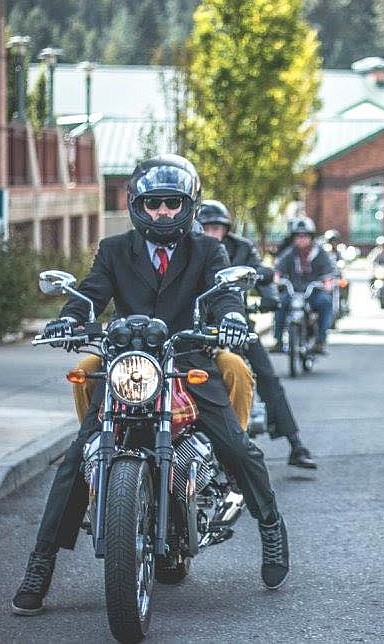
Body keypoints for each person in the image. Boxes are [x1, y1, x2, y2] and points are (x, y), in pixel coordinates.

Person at [12, 155, 290, 616]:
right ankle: (40, 567)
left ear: (188, 206)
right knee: (80, 455)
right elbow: (91, 294)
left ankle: (272, 528)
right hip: (130, 363)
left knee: (236, 445)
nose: (162, 212)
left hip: (186, 358)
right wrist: (69, 320)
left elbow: (223, 296)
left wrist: (234, 321)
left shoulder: (207, 251)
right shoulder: (114, 248)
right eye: (153, 203)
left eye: (171, 203)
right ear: (137, 205)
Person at [196, 199, 317, 469]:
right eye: (207, 227)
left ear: (226, 229)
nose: (212, 233)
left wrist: (270, 296)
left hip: (237, 324)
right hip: (199, 326)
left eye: (217, 227)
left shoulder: (241, 247)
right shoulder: (192, 250)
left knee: (267, 377)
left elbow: (261, 271)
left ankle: (295, 444)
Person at [272, 216, 336, 354]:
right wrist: (276, 279)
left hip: (314, 293)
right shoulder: (289, 253)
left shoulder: (320, 254)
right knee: (279, 303)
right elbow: (278, 270)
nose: (301, 239)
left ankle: (320, 340)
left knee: (325, 302)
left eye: (305, 236)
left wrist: (327, 283)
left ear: (311, 237)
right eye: (298, 236)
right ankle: (278, 340)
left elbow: (329, 273)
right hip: (293, 292)